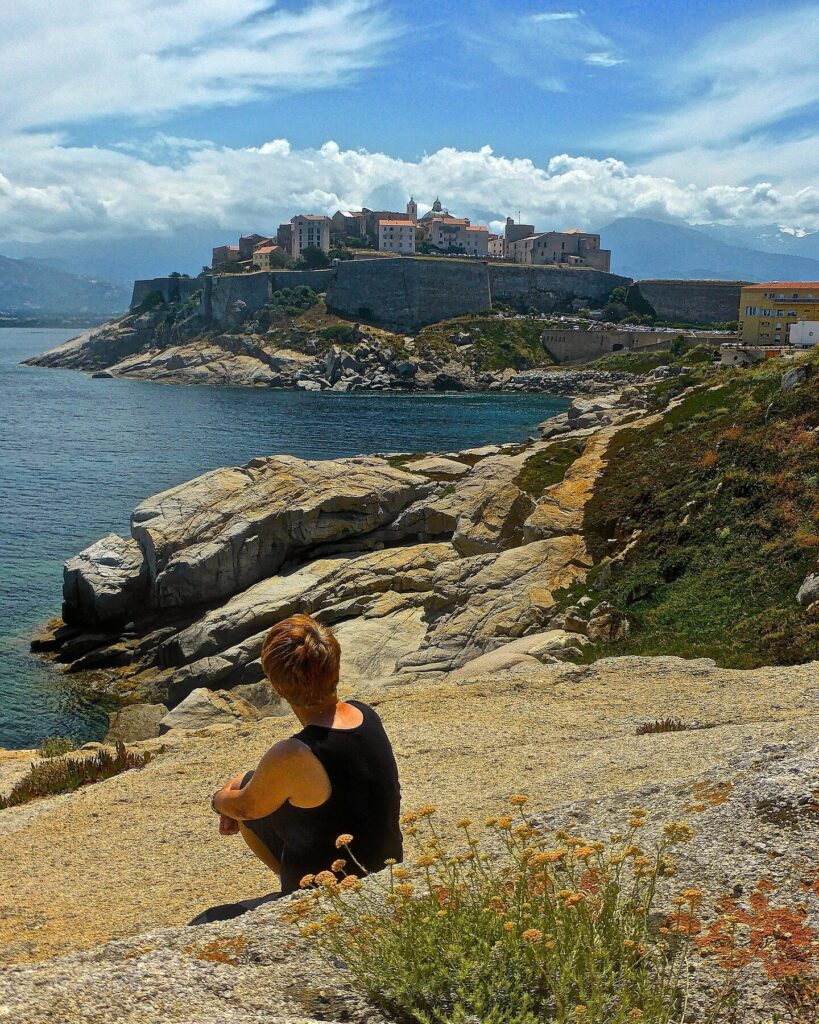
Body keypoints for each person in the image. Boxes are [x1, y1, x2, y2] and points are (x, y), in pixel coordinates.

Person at [190, 614, 402, 924]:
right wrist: (236, 791)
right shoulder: (364, 714)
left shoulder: (294, 754)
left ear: (276, 685)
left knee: (206, 923)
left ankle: (291, 896)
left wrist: (218, 800)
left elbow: (246, 808)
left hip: (329, 894)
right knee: (245, 784)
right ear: (336, 666)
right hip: (385, 870)